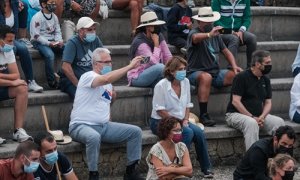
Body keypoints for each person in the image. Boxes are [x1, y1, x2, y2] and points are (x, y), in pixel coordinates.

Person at [69, 48, 144, 180]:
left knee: (135, 132)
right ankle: (93, 174)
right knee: (93, 137)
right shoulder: (88, 76)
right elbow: (105, 79)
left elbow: (104, 102)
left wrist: (112, 98)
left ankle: (131, 172)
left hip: (103, 126)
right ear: (96, 63)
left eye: (110, 61)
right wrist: (130, 66)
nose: (109, 64)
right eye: (106, 62)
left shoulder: (108, 85)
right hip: (80, 126)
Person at [150, 56, 214, 178]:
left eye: (184, 68)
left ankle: (206, 168)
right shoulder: (161, 85)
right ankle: (177, 167)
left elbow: (188, 104)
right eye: (180, 69)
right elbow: (160, 110)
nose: (183, 71)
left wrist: (185, 119)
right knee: (188, 132)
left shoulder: (186, 82)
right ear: (171, 71)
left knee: (199, 132)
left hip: (180, 119)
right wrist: (177, 123)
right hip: (161, 121)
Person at [186, 7, 242, 127]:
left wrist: (234, 66)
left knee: (237, 76)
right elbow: (195, 39)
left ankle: (235, 108)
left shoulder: (216, 34)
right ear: (200, 21)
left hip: (215, 72)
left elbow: (226, 51)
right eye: (207, 21)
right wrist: (208, 34)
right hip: (195, 73)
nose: (210, 23)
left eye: (211, 21)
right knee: (206, 77)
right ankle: (204, 114)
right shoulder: (193, 33)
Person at [226, 50, 285, 150]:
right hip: (235, 115)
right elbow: (235, 101)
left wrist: (262, 116)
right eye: (267, 63)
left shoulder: (265, 79)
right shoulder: (241, 77)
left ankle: (278, 157)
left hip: (258, 115)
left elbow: (268, 102)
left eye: (270, 62)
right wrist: (252, 117)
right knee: (252, 123)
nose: (270, 65)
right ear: (257, 64)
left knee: (279, 122)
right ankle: (253, 158)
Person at [0, 0, 43, 92]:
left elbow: (14, 27)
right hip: (1, 38)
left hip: (10, 37)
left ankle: (31, 81)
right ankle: (7, 82)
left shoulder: (15, 3)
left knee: (23, 49)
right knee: (13, 49)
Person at [0, 24, 33, 142]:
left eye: (13, 40)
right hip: (5, 85)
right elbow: (13, 79)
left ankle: (18, 131)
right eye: (9, 41)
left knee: (22, 88)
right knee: (17, 85)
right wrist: (12, 82)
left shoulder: (7, 50)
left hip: (3, 86)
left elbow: (16, 75)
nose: (12, 44)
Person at [59, 16, 103, 99]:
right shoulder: (72, 43)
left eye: (94, 29)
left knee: (111, 95)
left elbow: (103, 58)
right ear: (80, 31)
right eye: (90, 30)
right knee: (83, 97)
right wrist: (78, 85)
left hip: (91, 78)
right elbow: (65, 67)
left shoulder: (96, 40)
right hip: (73, 80)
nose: (93, 32)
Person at [128, 11, 172, 88]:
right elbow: (154, 62)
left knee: (168, 82)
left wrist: (174, 68)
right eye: (155, 25)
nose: (158, 27)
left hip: (154, 74)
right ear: (148, 27)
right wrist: (156, 44)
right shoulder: (140, 42)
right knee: (160, 67)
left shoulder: (159, 36)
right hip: (138, 76)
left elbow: (167, 56)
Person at [211, 0, 257, 68]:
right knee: (234, 38)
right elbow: (216, 21)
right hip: (221, 31)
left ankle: (251, 68)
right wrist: (230, 31)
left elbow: (247, 18)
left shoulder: (245, 1)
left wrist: (241, 30)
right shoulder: (216, 1)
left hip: (239, 31)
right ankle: (231, 68)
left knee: (252, 38)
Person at [30, 0, 64, 89]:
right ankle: (51, 81)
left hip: (53, 41)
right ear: (43, 4)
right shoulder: (37, 17)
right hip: (39, 42)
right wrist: (49, 43)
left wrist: (59, 40)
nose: (53, 5)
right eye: (51, 3)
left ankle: (62, 75)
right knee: (50, 55)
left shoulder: (54, 17)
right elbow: (36, 35)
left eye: (54, 3)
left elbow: (57, 31)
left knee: (67, 49)